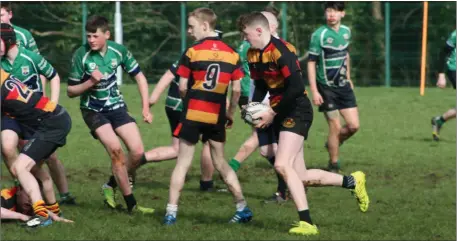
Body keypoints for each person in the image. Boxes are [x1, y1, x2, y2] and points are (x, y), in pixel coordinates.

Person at [239, 11, 369, 235]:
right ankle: (352, 181)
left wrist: (271, 111)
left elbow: (297, 88)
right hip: (278, 111)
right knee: (300, 177)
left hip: (297, 110)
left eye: (246, 34)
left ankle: (307, 223)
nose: (244, 38)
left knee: (281, 164)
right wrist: (253, 108)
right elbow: (260, 85)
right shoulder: (253, 54)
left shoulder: (281, 51)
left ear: (259, 30)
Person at [163, 7, 253, 225]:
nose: (190, 32)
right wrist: (230, 113)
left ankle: (170, 214)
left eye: (192, 27)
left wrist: (188, 104)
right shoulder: (232, 54)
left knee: (182, 164)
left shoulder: (192, 52)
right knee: (221, 162)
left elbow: (182, 86)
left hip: (193, 113)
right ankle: (242, 207)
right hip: (215, 117)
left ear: (205, 26)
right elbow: (238, 90)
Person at [67, 15, 154, 214]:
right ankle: (132, 205)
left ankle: (110, 184)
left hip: (116, 107)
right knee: (116, 151)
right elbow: (71, 91)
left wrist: (146, 108)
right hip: (93, 109)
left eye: (95, 36)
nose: (91, 40)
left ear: (107, 35)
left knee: (138, 152)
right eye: (88, 36)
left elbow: (139, 77)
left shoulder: (119, 51)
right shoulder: (82, 55)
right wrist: (90, 82)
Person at [0, 3, 75, 204]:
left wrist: (51, 103)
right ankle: (24, 190)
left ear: (9, 15)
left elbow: (50, 74)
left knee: (47, 158)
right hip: (10, 111)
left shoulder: (25, 45)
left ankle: (62, 195)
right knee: (8, 147)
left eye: (1, 15)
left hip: (37, 111)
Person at [139, 28, 226, 192]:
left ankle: (138, 160)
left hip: (172, 104)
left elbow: (168, 76)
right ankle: (206, 184)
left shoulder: (189, 52)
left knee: (177, 149)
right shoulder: (209, 57)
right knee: (207, 142)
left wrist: (151, 101)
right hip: (187, 105)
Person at [230, 10, 293, 204]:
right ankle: (291, 182)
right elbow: (256, 81)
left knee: (280, 149)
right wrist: (250, 105)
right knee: (266, 150)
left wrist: (272, 108)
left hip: (278, 107)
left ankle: (286, 189)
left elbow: (291, 84)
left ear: (271, 27)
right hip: (260, 104)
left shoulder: (284, 48)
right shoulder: (254, 49)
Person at [0, 68, 73, 227]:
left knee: (20, 167)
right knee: (32, 170)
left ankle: (42, 216)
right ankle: (54, 213)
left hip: (52, 123)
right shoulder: (3, 75)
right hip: (55, 118)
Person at [307, 2, 359, 173]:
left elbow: (346, 55)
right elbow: (311, 63)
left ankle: (333, 143)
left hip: (343, 86)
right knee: (335, 125)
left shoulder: (346, 32)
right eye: (328, 11)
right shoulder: (319, 35)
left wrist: (349, 77)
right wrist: (314, 90)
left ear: (342, 14)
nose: (331, 14)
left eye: (335, 11)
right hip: (326, 88)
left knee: (353, 126)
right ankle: (334, 164)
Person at [431, 29, 456, 141]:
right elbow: (443, 53)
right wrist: (441, 75)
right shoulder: (455, 35)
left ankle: (439, 121)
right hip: (454, 69)